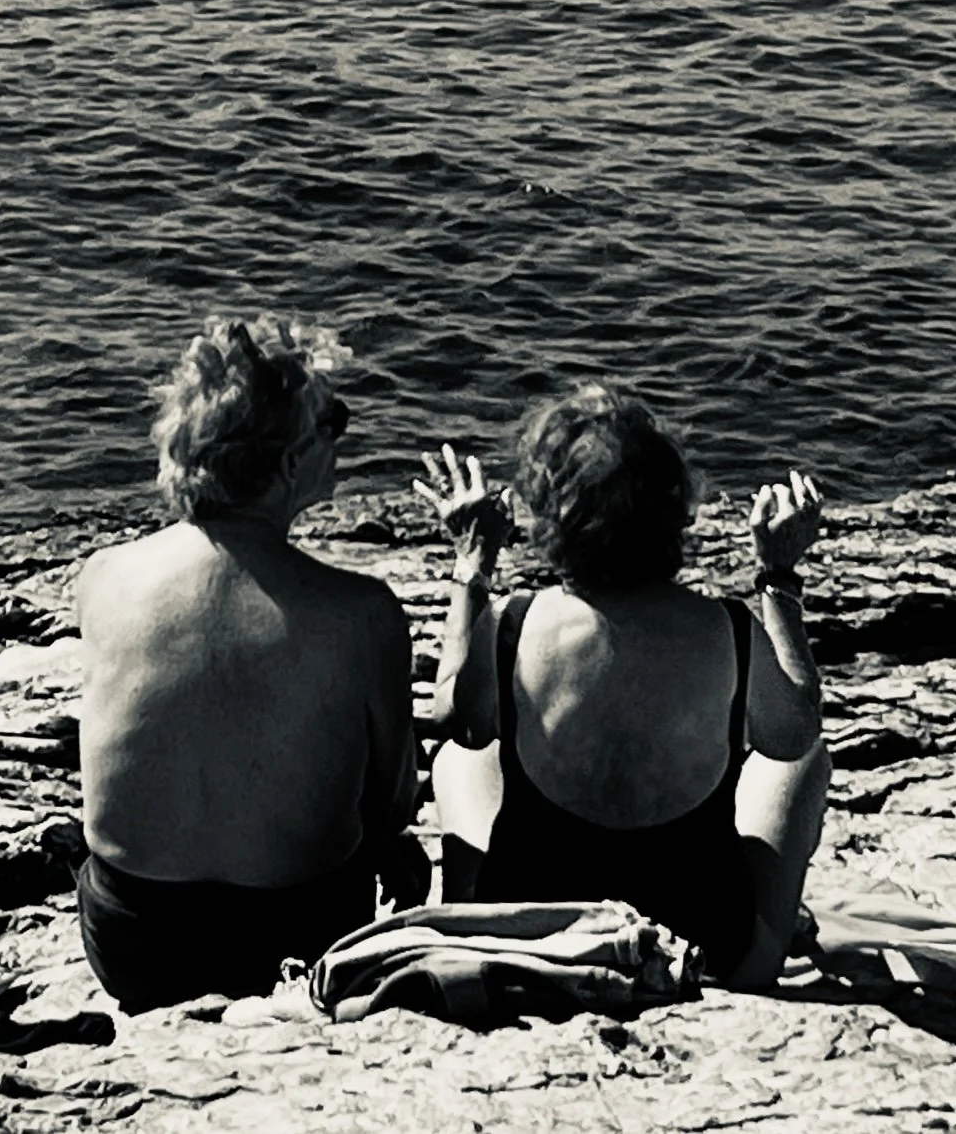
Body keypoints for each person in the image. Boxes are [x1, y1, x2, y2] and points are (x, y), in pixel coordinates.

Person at [418, 382, 830, 993]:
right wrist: (778, 578)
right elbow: (794, 734)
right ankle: (766, 944)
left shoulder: (513, 622)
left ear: (549, 516)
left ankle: (471, 911)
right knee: (805, 755)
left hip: (547, 944)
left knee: (460, 756)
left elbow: (454, 715)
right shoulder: (727, 630)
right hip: (700, 949)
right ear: (676, 509)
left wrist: (472, 567)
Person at [76, 316, 425, 1008]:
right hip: (292, 939)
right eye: (334, 421)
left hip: (131, 942)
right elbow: (391, 802)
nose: (342, 440)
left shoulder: (104, 575)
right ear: (290, 461)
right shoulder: (361, 612)